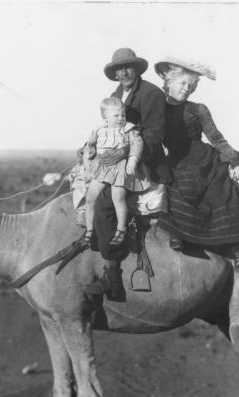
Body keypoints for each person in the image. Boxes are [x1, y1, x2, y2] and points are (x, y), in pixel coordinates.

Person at [153, 57, 239, 273]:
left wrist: (234, 161)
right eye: (182, 83)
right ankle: (179, 235)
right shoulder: (158, 108)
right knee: (177, 186)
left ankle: (236, 248)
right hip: (178, 160)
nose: (186, 89)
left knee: (224, 189)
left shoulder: (198, 109)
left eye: (191, 85)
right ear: (169, 82)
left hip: (204, 158)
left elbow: (216, 138)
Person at [84, 48, 168, 300]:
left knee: (105, 202)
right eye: (118, 70)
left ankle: (112, 274)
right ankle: (89, 235)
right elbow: (108, 129)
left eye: (127, 67)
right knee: (85, 186)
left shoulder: (152, 94)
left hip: (143, 161)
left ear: (137, 69)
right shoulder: (117, 94)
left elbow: (155, 135)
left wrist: (128, 150)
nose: (123, 73)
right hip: (116, 159)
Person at [82, 97, 149, 248]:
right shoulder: (99, 130)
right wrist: (88, 158)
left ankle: (121, 228)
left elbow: (137, 145)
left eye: (123, 115)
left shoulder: (128, 129)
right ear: (105, 116)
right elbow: (90, 146)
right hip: (103, 166)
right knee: (90, 197)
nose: (121, 118)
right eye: (116, 115)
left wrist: (132, 160)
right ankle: (89, 229)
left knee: (118, 197)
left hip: (120, 167)